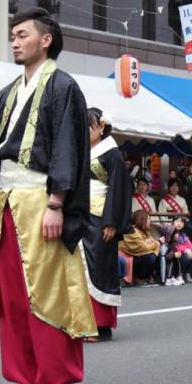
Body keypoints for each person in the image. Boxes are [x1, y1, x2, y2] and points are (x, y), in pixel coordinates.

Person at [0, 7, 94, 384]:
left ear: (46, 40)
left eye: (22, 34)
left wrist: (57, 203)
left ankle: (56, 379)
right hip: (8, 200)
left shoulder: (64, 87)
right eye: (12, 35)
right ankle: (25, 375)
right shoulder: (6, 94)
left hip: (41, 198)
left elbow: (68, 147)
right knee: (12, 292)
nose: (14, 41)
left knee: (47, 289)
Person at [83, 108, 132, 341]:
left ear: (101, 127)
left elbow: (119, 189)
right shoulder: (80, 152)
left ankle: (102, 325)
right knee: (82, 269)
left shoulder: (111, 153)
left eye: (89, 126)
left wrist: (111, 222)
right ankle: (84, 321)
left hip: (102, 217)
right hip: (82, 216)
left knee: (100, 268)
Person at [118, 209, 163, 284]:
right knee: (151, 257)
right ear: (142, 220)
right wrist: (157, 242)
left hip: (137, 255)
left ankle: (148, 277)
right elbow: (143, 248)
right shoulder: (132, 231)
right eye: (148, 219)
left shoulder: (145, 231)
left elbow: (152, 247)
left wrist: (154, 245)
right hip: (128, 257)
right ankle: (140, 277)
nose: (150, 221)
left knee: (156, 255)